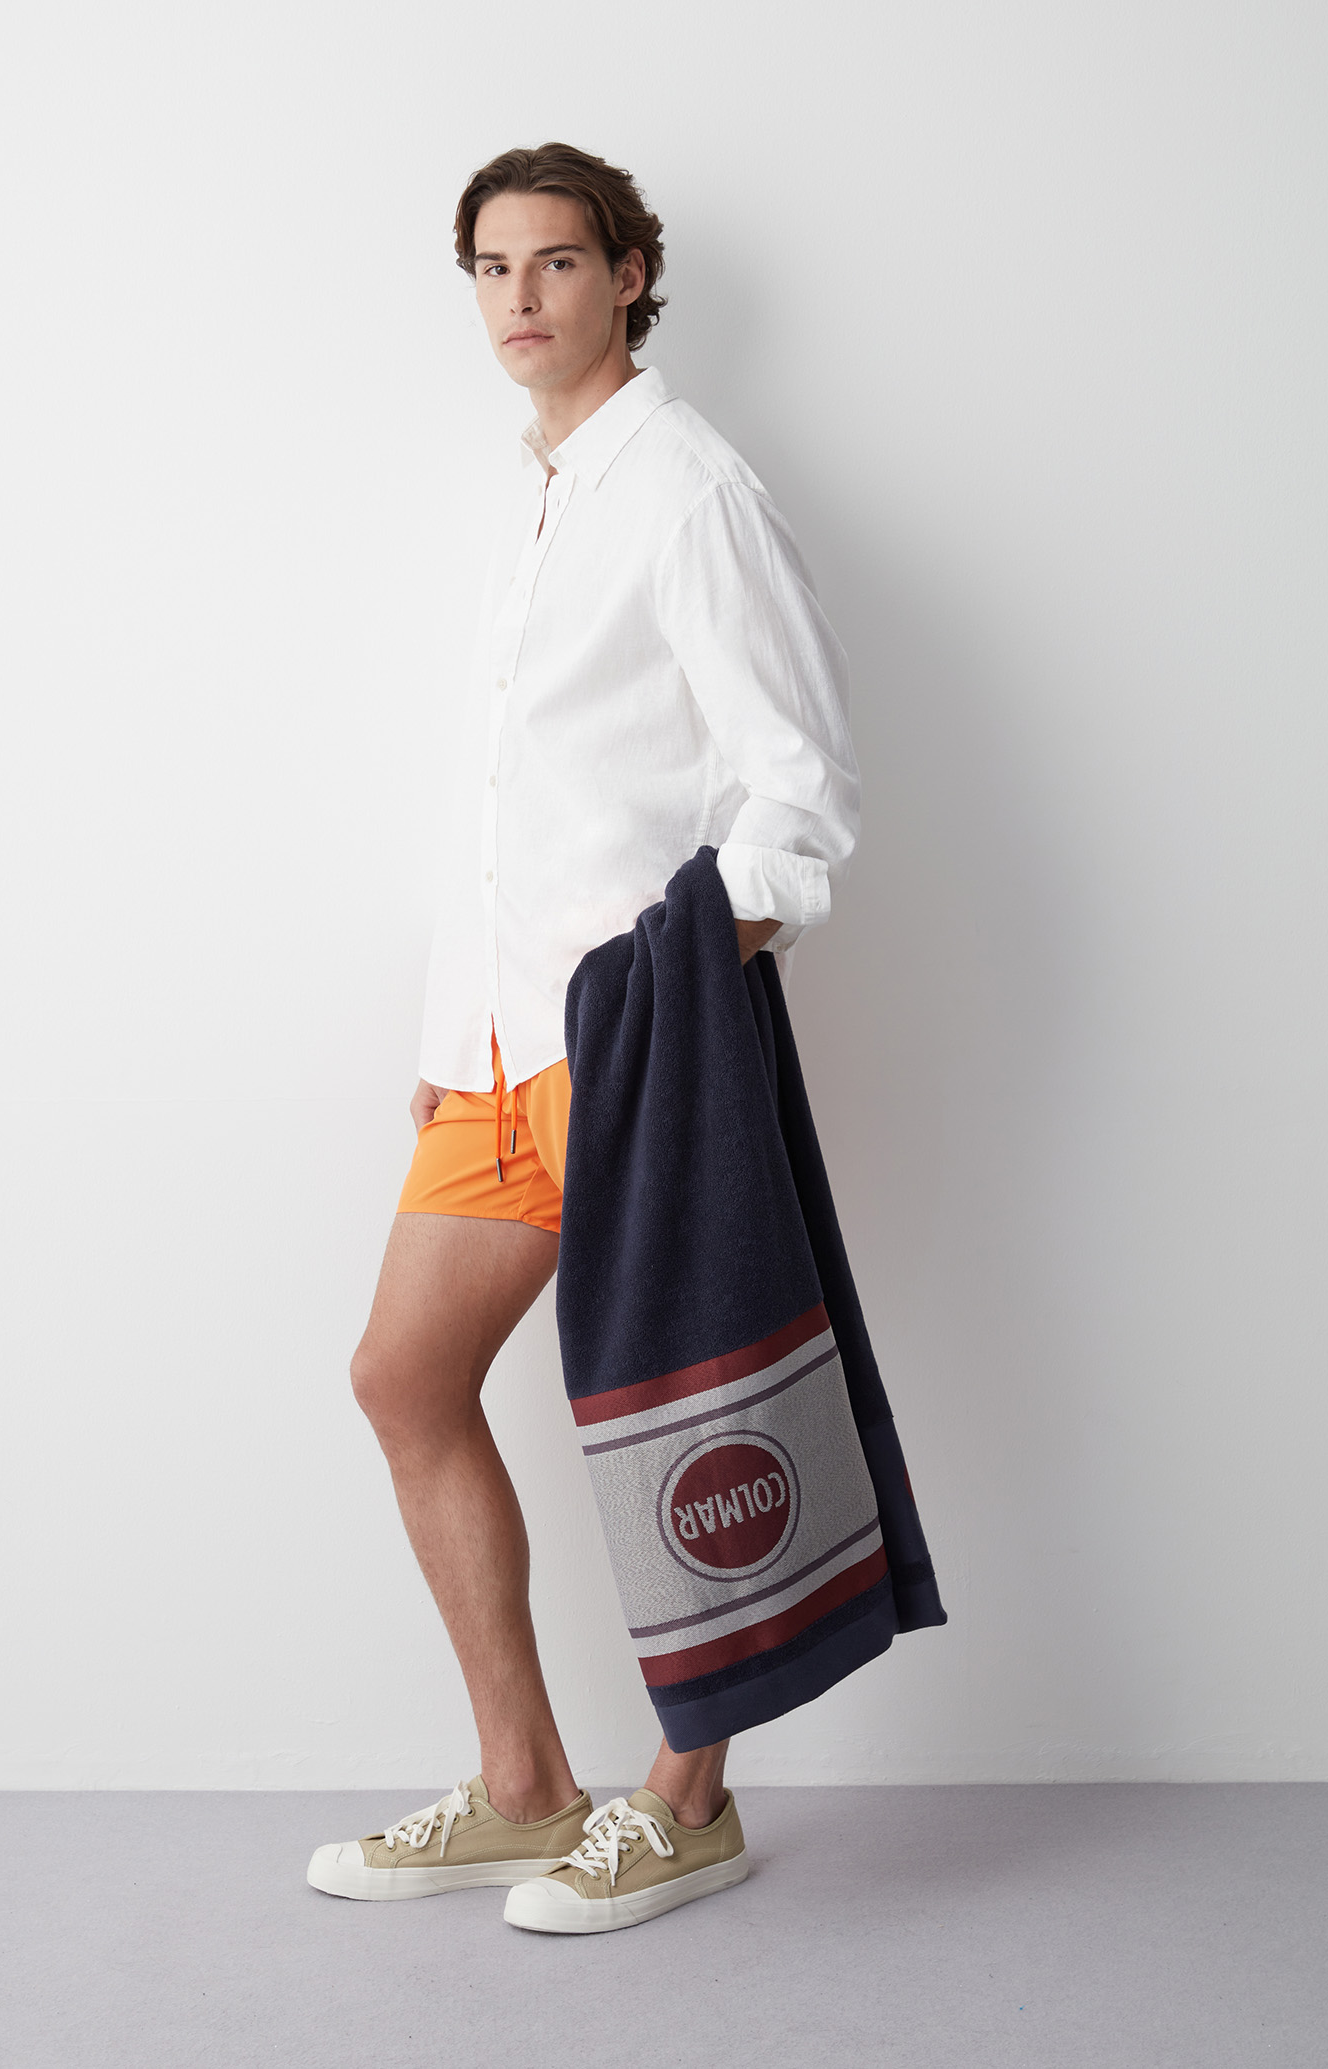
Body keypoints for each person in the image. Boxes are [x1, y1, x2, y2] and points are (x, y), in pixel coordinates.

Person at [308, 142, 859, 1934]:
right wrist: (457, 1012)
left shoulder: (688, 489)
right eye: (492, 268)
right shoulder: (544, 494)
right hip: (500, 1049)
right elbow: (519, 806)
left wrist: (666, 985)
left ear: (629, 273)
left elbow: (799, 798)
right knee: (404, 1375)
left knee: (682, 1403)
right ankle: (526, 1784)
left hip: (633, 1038)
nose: (520, 297)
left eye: (556, 261)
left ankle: (688, 1804)